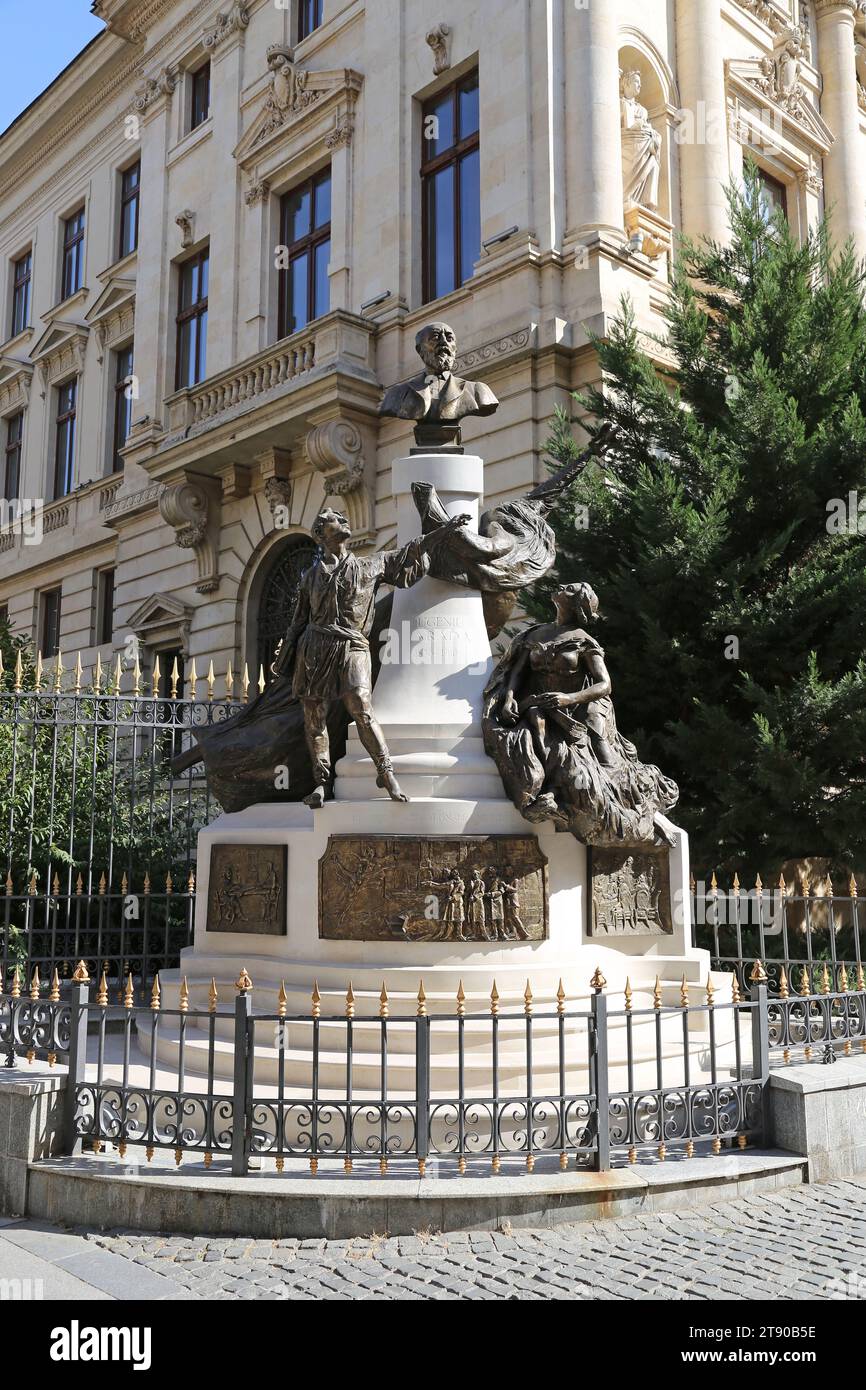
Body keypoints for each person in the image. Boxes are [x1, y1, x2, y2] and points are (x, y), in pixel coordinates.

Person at [272, 505, 469, 808]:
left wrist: (443, 532)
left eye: (342, 517)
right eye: (333, 520)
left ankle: (385, 771)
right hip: (314, 648)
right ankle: (322, 783)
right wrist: (285, 657)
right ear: (320, 534)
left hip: (352, 645)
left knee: (361, 705)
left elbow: (408, 552)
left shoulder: (369, 565)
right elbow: (299, 620)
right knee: (315, 719)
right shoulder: (310, 577)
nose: (342, 520)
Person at [482, 582, 678, 846]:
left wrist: (569, 698)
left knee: (605, 758)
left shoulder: (585, 642)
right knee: (536, 725)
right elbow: (516, 673)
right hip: (541, 702)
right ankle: (547, 791)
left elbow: (604, 684)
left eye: (570, 588)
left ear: (577, 603)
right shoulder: (535, 635)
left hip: (582, 704)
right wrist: (507, 698)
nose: (562, 586)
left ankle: (629, 805)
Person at [379, 322, 499, 450]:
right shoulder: (398, 394)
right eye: (435, 337)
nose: (444, 342)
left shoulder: (477, 391)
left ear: (455, 348)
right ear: (420, 350)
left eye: (449, 338)